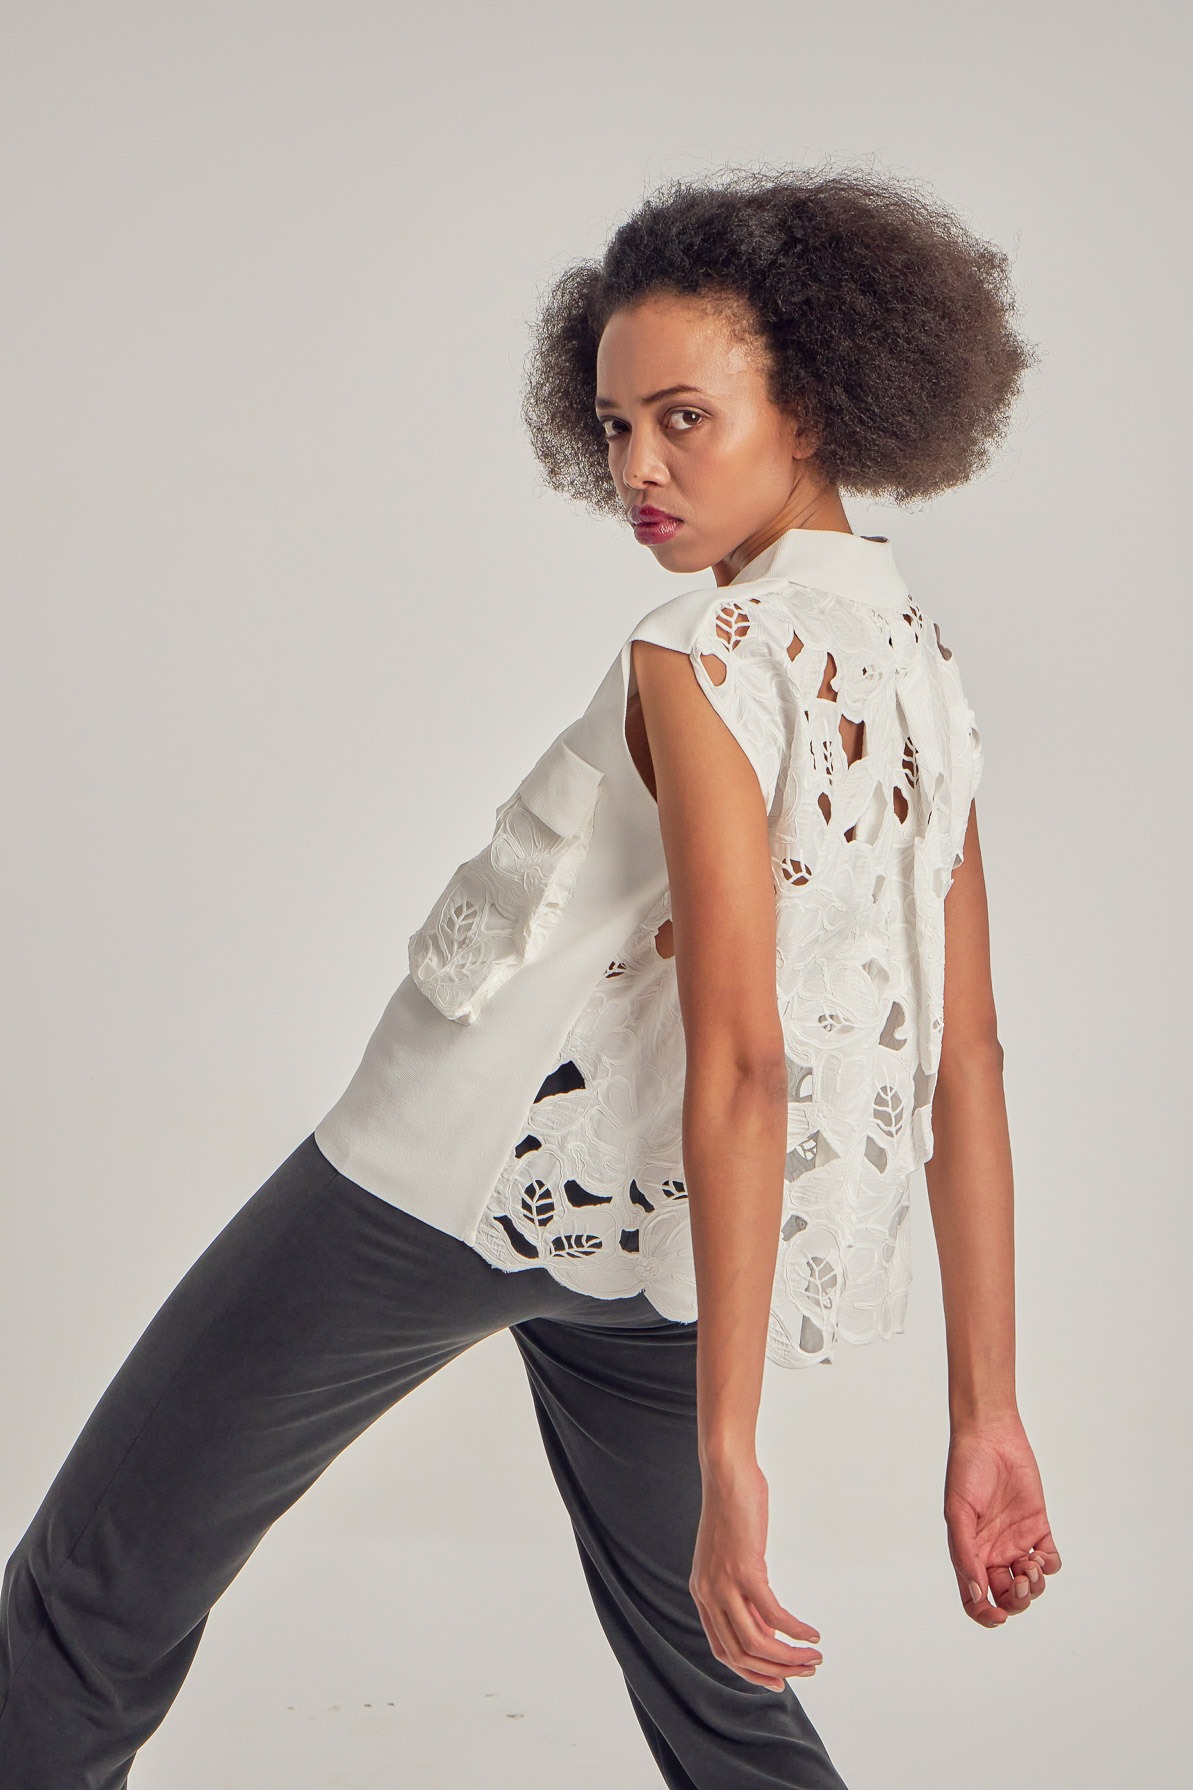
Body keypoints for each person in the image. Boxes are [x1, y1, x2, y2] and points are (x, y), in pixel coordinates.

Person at [0, 164, 1062, 1790]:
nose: (636, 467)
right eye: (616, 424)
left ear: (814, 402)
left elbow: (746, 1056)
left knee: (88, 1600)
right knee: (719, 1687)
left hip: (435, 1181)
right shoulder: (917, 664)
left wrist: (732, 1457)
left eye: (683, 418)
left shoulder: (699, 653)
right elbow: (964, 1053)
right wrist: (983, 1409)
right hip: (661, 1247)